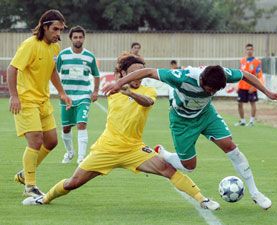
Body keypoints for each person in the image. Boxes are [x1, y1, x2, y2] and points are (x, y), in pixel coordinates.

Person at [22, 53, 220, 211]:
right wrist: (118, 85)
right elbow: (111, 84)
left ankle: (203, 199)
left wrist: (130, 93)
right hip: (106, 149)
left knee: (168, 170)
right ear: (124, 74)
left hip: (134, 149)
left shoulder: (147, 92)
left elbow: (148, 102)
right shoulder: (114, 91)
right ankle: (44, 198)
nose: (139, 77)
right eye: (134, 72)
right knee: (73, 183)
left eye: (141, 73)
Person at [102, 65, 277, 210]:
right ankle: (165, 155)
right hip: (181, 121)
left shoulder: (220, 74)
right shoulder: (183, 78)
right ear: (201, 81)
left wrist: (268, 93)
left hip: (206, 115)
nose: (211, 93)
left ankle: (256, 193)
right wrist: (118, 84)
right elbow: (148, 71)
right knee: (189, 166)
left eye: (215, 91)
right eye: (209, 89)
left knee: (230, 146)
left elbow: (245, 75)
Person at [7, 9, 72, 197]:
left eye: (61, 30)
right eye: (55, 29)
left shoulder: (54, 48)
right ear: (45, 27)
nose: (59, 34)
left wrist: (61, 93)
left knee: (51, 141)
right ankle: (30, 186)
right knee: (35, 139)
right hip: (26, 100)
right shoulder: (30, 45)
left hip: (43, 100)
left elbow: (52, 71)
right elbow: (12, 69)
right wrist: (14, 96)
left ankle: (24, 174)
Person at [56, 26, 100, 164]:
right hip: (66, 97)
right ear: (71, 39)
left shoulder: (89, 56)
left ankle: (81, 158)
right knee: (66, 127)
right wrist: (60, 92)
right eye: (75, 37)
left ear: (84, 38)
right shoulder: (62, 55)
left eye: (80, 37)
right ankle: (70, 152)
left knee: (81, 124)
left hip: (83, 95)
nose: (78, 39)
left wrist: (95, 91)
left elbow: (96, 75)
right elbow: (54, 74)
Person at [235, 43, 263, 127]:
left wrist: (254, 86)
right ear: (245, 50)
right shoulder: (242, 61)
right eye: (248, 49)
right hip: (242, 86)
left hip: (251, 86)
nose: (249, 51)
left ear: (253, 50)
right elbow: (240, 73)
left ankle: (251, 121)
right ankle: (242, 121)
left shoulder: (257, 62)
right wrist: (237, 85)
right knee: (239, 103)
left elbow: (258, 75)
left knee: (252, 103)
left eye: (251, 49)